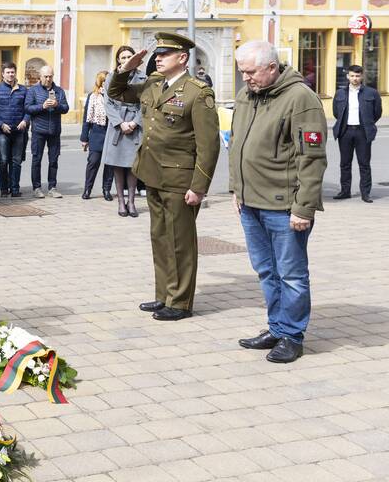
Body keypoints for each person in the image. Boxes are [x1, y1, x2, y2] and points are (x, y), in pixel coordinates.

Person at [109, 32, 219, 322]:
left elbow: (209, 145)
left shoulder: (198, 92)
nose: (158, 58)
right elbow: (116, 93)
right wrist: (125, 69)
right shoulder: (155, 84)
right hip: (152, 173)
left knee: (180, 242)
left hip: (180, 180)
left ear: (182, 58)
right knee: (160, 238)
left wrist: (199, 187)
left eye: (165, 54)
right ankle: (164, 295)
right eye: (157, 54)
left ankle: (180, 302)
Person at [231, 40, 327, 364]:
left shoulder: (301, 99)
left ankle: (292, 336)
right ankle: (276, 327)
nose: (245, 78)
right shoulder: (247, 95)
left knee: (291, 274)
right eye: (241, 71)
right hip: (250, 203)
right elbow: (238, 146)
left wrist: (304, 208)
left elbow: (311, 159)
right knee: (266, 271)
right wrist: (236, 189)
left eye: (251, 72)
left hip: (285, 207)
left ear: (272, 67)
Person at [104, 46, 146, 216]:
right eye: (123, 57)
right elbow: (107, 102)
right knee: (118, 166)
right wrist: (120, 123)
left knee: (133, 166)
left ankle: (131, 201)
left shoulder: (144, 78)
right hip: (117, 126)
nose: (127, 59)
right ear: (118, 60)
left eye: (130, 56)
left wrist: (135, 123)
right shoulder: (111, 77)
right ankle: (121, 201)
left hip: (135, 125)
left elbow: (147, 103)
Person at [332, 64, 382, 203]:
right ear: (348, 76)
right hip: (345, 131)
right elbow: (336, 113)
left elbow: (377, 113)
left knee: (364, 164)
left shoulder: (371, 93)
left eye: (357, 76)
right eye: (352, 76)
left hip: (363, 131)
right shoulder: (340, 93)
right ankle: (345, 191)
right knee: (345, 164)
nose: (355, 78)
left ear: (362, 76)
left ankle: (365, 193)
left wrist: (368, 123)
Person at [25, 65, 69, 198]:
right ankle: (37, 188)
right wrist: (42, 106)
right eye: (46, 76)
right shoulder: (33, 90)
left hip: (54, 131)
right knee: (36, 159)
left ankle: (52, 187)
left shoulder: (59, 91)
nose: (48, 79)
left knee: (54, 160)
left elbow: (66, 108)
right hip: (39, 130)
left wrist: (57, 105)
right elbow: (27, 108)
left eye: (50, 76)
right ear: (40, 76)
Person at [0, 62, 29, 198]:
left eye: (12, 72)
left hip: (19, 131)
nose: (10, 74)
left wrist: (25, 120)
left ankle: (15, 189)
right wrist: (1, 124)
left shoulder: (24, 90)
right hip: (2, 132)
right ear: (2, 74)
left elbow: (28, 109)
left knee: (16, 161)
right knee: (3, 161)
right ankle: (4, 189)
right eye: (8, 72)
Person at [80, 70, 114, 201]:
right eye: (103, 80)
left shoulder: (114, 97)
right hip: (96, 133)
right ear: (99, 82)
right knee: (93, 162)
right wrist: (84, 138)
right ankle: (87, 189)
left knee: (110, 164)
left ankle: (106, 189)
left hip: (111, 133)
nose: (105, 83)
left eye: (108, 81)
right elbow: (86, 118)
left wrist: (107, 97)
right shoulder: (92, 96)